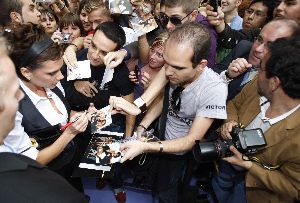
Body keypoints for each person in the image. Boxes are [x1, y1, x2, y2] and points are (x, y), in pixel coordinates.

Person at [110, 22, 228, 203]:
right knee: (154, 180)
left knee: (168, 191)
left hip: (178, 151)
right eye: (167, 62)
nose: (168, 72)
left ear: (201, 65)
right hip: (160, 134)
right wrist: (140, 122)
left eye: (178, 68)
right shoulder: (173, 67)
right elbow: (162, 101)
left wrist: (146, 146)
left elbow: (191, 141)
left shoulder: (214, 90)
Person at [213, 35, 300, 203]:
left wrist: (249, 165)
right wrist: (230, 122)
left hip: (254, 193)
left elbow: (294, 187)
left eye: (260, 69)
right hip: (224, 168)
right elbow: (234, 105)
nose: (256, 72)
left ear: (274, 83)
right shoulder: (259, 85)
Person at [0, 36, 88, 203]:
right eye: (52, 73)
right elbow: (35, 159)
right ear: (26, 72)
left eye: (60, 69)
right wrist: (69, 133)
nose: (61, 76)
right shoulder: (12, 105)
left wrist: (72, 115)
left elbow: (61, 112)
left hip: (70, 160)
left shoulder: (51, 81)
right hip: (49, 172)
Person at [62, 22, 135, 137]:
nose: (95, 55)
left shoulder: (119, 70)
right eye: (93, 46)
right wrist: (75, 84)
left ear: (115, 53)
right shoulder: (76, 58)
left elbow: (130, 107)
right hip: (75, 125)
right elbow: (58, 89)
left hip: (107, 126)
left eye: (104, 53)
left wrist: (128, 137)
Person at [214, 18, 299, 100]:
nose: (258, 49)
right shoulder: (243, 48)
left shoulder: (282, 82)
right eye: (259, 39)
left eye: (270, 46)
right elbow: (211, 75)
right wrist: (227, 75)